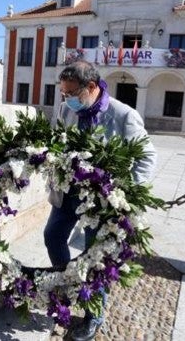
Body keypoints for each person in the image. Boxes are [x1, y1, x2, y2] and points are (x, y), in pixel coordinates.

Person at [44, 61, 157, 341]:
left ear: (91, 87)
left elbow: (146, 157)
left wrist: (124, 194)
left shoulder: (123, 115)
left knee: (96, 257)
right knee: (53, 236)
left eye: (71, 93)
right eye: (63, 93)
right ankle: (68, 283)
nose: (66, 99)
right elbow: (57, 143)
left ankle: (95, 314)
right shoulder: (64, 109)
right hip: (68, 193)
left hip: (101, 203)